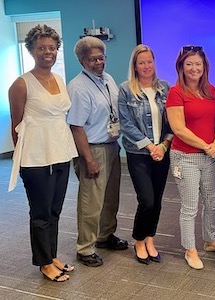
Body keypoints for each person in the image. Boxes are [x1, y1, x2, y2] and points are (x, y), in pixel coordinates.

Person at [8, 24, 78, 282]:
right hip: (36, 158)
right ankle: (43, 262)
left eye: (52, 47)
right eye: (41, 48)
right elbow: (16, 128)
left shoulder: (58, 79)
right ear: (31, 50)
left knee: (55, 210)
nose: (47, 52)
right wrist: (27, 156)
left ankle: (52, 255)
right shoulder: (21, 84)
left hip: (61, 152)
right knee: (40, 212)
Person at [67, 36, 128, 268]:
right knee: (91, 203)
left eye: (101, 57)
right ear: (82, 61)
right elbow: (76, 126)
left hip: (111, 146)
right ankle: (85, 247)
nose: (98, 62)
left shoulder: (108, 79)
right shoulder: (78, 87)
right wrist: (89, 159)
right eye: (93, 59)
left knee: (111, 199)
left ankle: (105, 236)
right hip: (91, 150)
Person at [166, 45, 215, 270]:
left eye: (198, 64)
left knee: (212, 202)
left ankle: (210, 241)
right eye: (189, 64)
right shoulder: (176, 92)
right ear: (181, 66)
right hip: (185, 157)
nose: (194, 68)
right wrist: (206, 146)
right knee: (190, 207)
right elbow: (178, 129)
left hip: (208, 157)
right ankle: (190, 249)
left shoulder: (211, 90)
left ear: (204, 66)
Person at [118, 45, 172, 264]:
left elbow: (172, 122)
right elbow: (126, 124)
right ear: (135, 65)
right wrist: (151, 147)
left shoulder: (165, 88)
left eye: (149, 61)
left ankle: (150, 238)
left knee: (157, 200)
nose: (146, 66)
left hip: (163, 151)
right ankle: (139, 239)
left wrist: (164, 146)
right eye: (142, 62)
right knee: (147, 200)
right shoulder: (126, 89)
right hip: (139, 153)